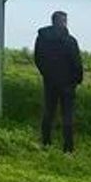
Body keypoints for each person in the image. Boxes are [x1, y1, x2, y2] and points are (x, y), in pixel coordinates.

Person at [33, 10, 84, 151]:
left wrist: (45, 73)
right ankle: (68, 147)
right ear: (63, 22)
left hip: (49, 81)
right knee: (67, 115)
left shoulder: (42, 38)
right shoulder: (70, 41)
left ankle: (46, 142)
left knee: (48, 111)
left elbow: (38, 58)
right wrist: (77, 79)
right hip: (67, 83)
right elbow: (76, 62)